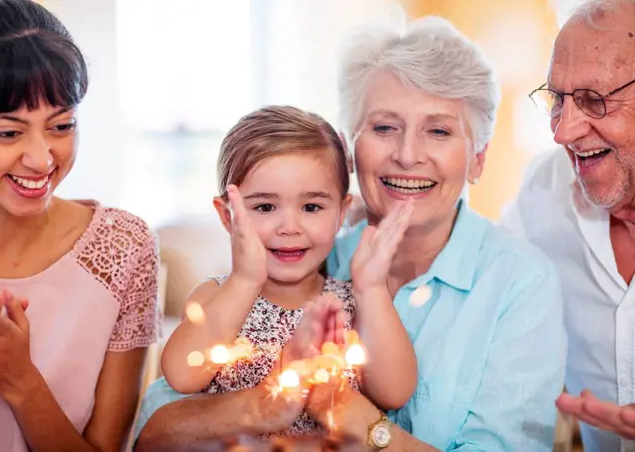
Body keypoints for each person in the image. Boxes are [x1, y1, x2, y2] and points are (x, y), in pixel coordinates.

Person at [134, 16, 567, 452]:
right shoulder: (303, 259)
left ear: (477, 159)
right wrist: (263, 405)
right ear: (350, 150)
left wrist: (347, 412)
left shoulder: (519, 283)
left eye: (438, 131)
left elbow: (396, 391)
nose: (407, 155)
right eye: (383, 127)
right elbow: (157, 422)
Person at [0, 1, 161, 451]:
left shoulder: (123, 247)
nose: (41, 158)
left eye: (61, 125)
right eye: (8, 133)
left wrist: (20, 383)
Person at [160, 105, 418, 436]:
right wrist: (245, 280)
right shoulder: (215, 296)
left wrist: (372, 290)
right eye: (265, 207)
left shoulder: (355, 305)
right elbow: (181, 375)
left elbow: (395, 392)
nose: (289, 227)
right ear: (228, 216)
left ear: (341, 213)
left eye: (312, 207)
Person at [500, 0, 635, 450]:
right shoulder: (546, 188)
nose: (562, 132)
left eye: (594, 100)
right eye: (558, 99)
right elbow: (483, 282)